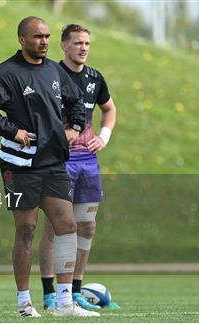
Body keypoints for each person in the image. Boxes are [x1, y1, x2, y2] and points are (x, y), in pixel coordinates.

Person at [0, 17, 99, 318]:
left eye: (47, 36)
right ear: (22, 39)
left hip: (52, 162)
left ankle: (65, 303)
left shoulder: (54, 69)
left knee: (67, 226)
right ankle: (24, 302)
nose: (44, 41)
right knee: (26, 230)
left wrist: (75, 128)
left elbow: (76, 100)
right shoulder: (7, 73)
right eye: (37, 36)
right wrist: (10, 131)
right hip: (20, 164)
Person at [38, 24, 118, 310]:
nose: (83, 47)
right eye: (77, 43)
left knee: (87, 226)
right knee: (55, 226)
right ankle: (50, 292)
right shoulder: (51, 76)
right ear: (64, 46)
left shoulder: (95, 78)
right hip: (59, 162)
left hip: (88, 163)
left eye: (87, 43)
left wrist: (103, 137)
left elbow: (109, 108)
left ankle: (75, 290)